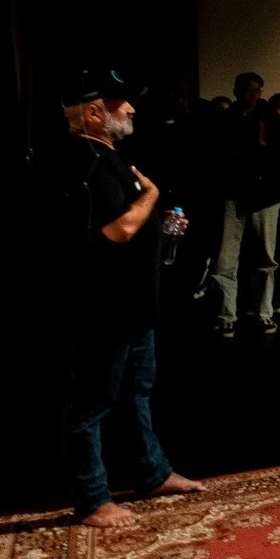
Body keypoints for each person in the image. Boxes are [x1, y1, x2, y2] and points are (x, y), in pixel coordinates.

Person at [47, 70, 203, 527]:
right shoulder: (83, 159)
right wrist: (151, 198)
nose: (131, 109)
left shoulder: (108, 157)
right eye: (120, 104)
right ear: (94, 114)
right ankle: (93, 499)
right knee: (92, 403)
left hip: (134, 309)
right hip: (104, 311)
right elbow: (120, 229)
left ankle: (152, 474)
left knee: (137, 394)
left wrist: (162, 227)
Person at [208, 72, 280, 336]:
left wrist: (259, 148)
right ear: (238, 91)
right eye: (250, 90)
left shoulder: (268, 118)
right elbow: (220, 156)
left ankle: (264, 312)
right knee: (226, 258)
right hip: (234, 194)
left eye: (258, 90)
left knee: (265, 257)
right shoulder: (225, 119)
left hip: (264, 195)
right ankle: (227, 314)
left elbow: (279, 155)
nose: (255, 95)